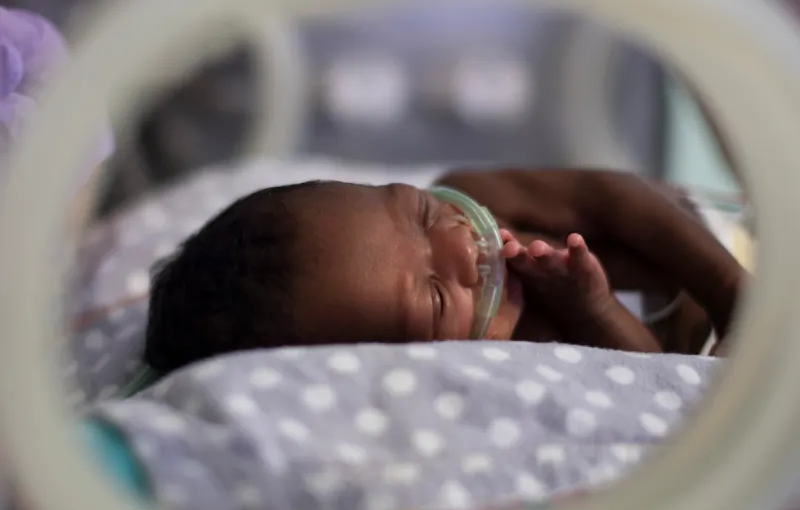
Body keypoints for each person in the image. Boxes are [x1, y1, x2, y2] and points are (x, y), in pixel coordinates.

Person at [142, 168, 746, 380]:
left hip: (713, 240)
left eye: (423, 211)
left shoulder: (479, 191)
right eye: (434, 298)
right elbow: (652, 369)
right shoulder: (511, 361)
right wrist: (591, 309)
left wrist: (732, 293)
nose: (462, 248)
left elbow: (612, 193)